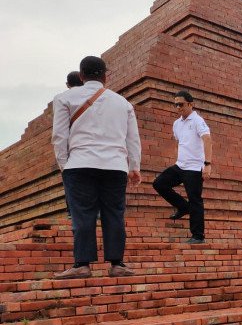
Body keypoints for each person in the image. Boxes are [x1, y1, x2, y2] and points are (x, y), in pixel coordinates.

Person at [51, 56, 141, 279]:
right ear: (105, 76)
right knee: (114, 214)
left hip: (80, 164)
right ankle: (117, 264)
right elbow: (133, 139)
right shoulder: (123, 103)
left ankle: (82, 264)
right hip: (115, 166)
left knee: (83, 213)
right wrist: (135, 166)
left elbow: (59, 136)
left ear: (81, 76)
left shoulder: (64, 98)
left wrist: (64, 164)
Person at [152, 90, 212, 244]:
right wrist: (177, 158)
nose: (178, 107)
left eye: (181, 104)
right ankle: (183, 207)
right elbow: (178, 143)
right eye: (175, 104)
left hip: (194, 168)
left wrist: (207, 164)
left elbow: (207, 140)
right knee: (159, 183)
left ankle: (198, 236)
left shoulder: (198, 121)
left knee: (195, 200)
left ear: (191, 104)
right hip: (180, 166)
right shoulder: (177, 123)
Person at [63, 71, 84, 219]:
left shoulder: (63, 99)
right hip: (92, 146)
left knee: (70, 180)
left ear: (67, 84)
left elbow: (60, 131)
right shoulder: (97, 98)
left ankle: (72, 210)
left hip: (72, 147)